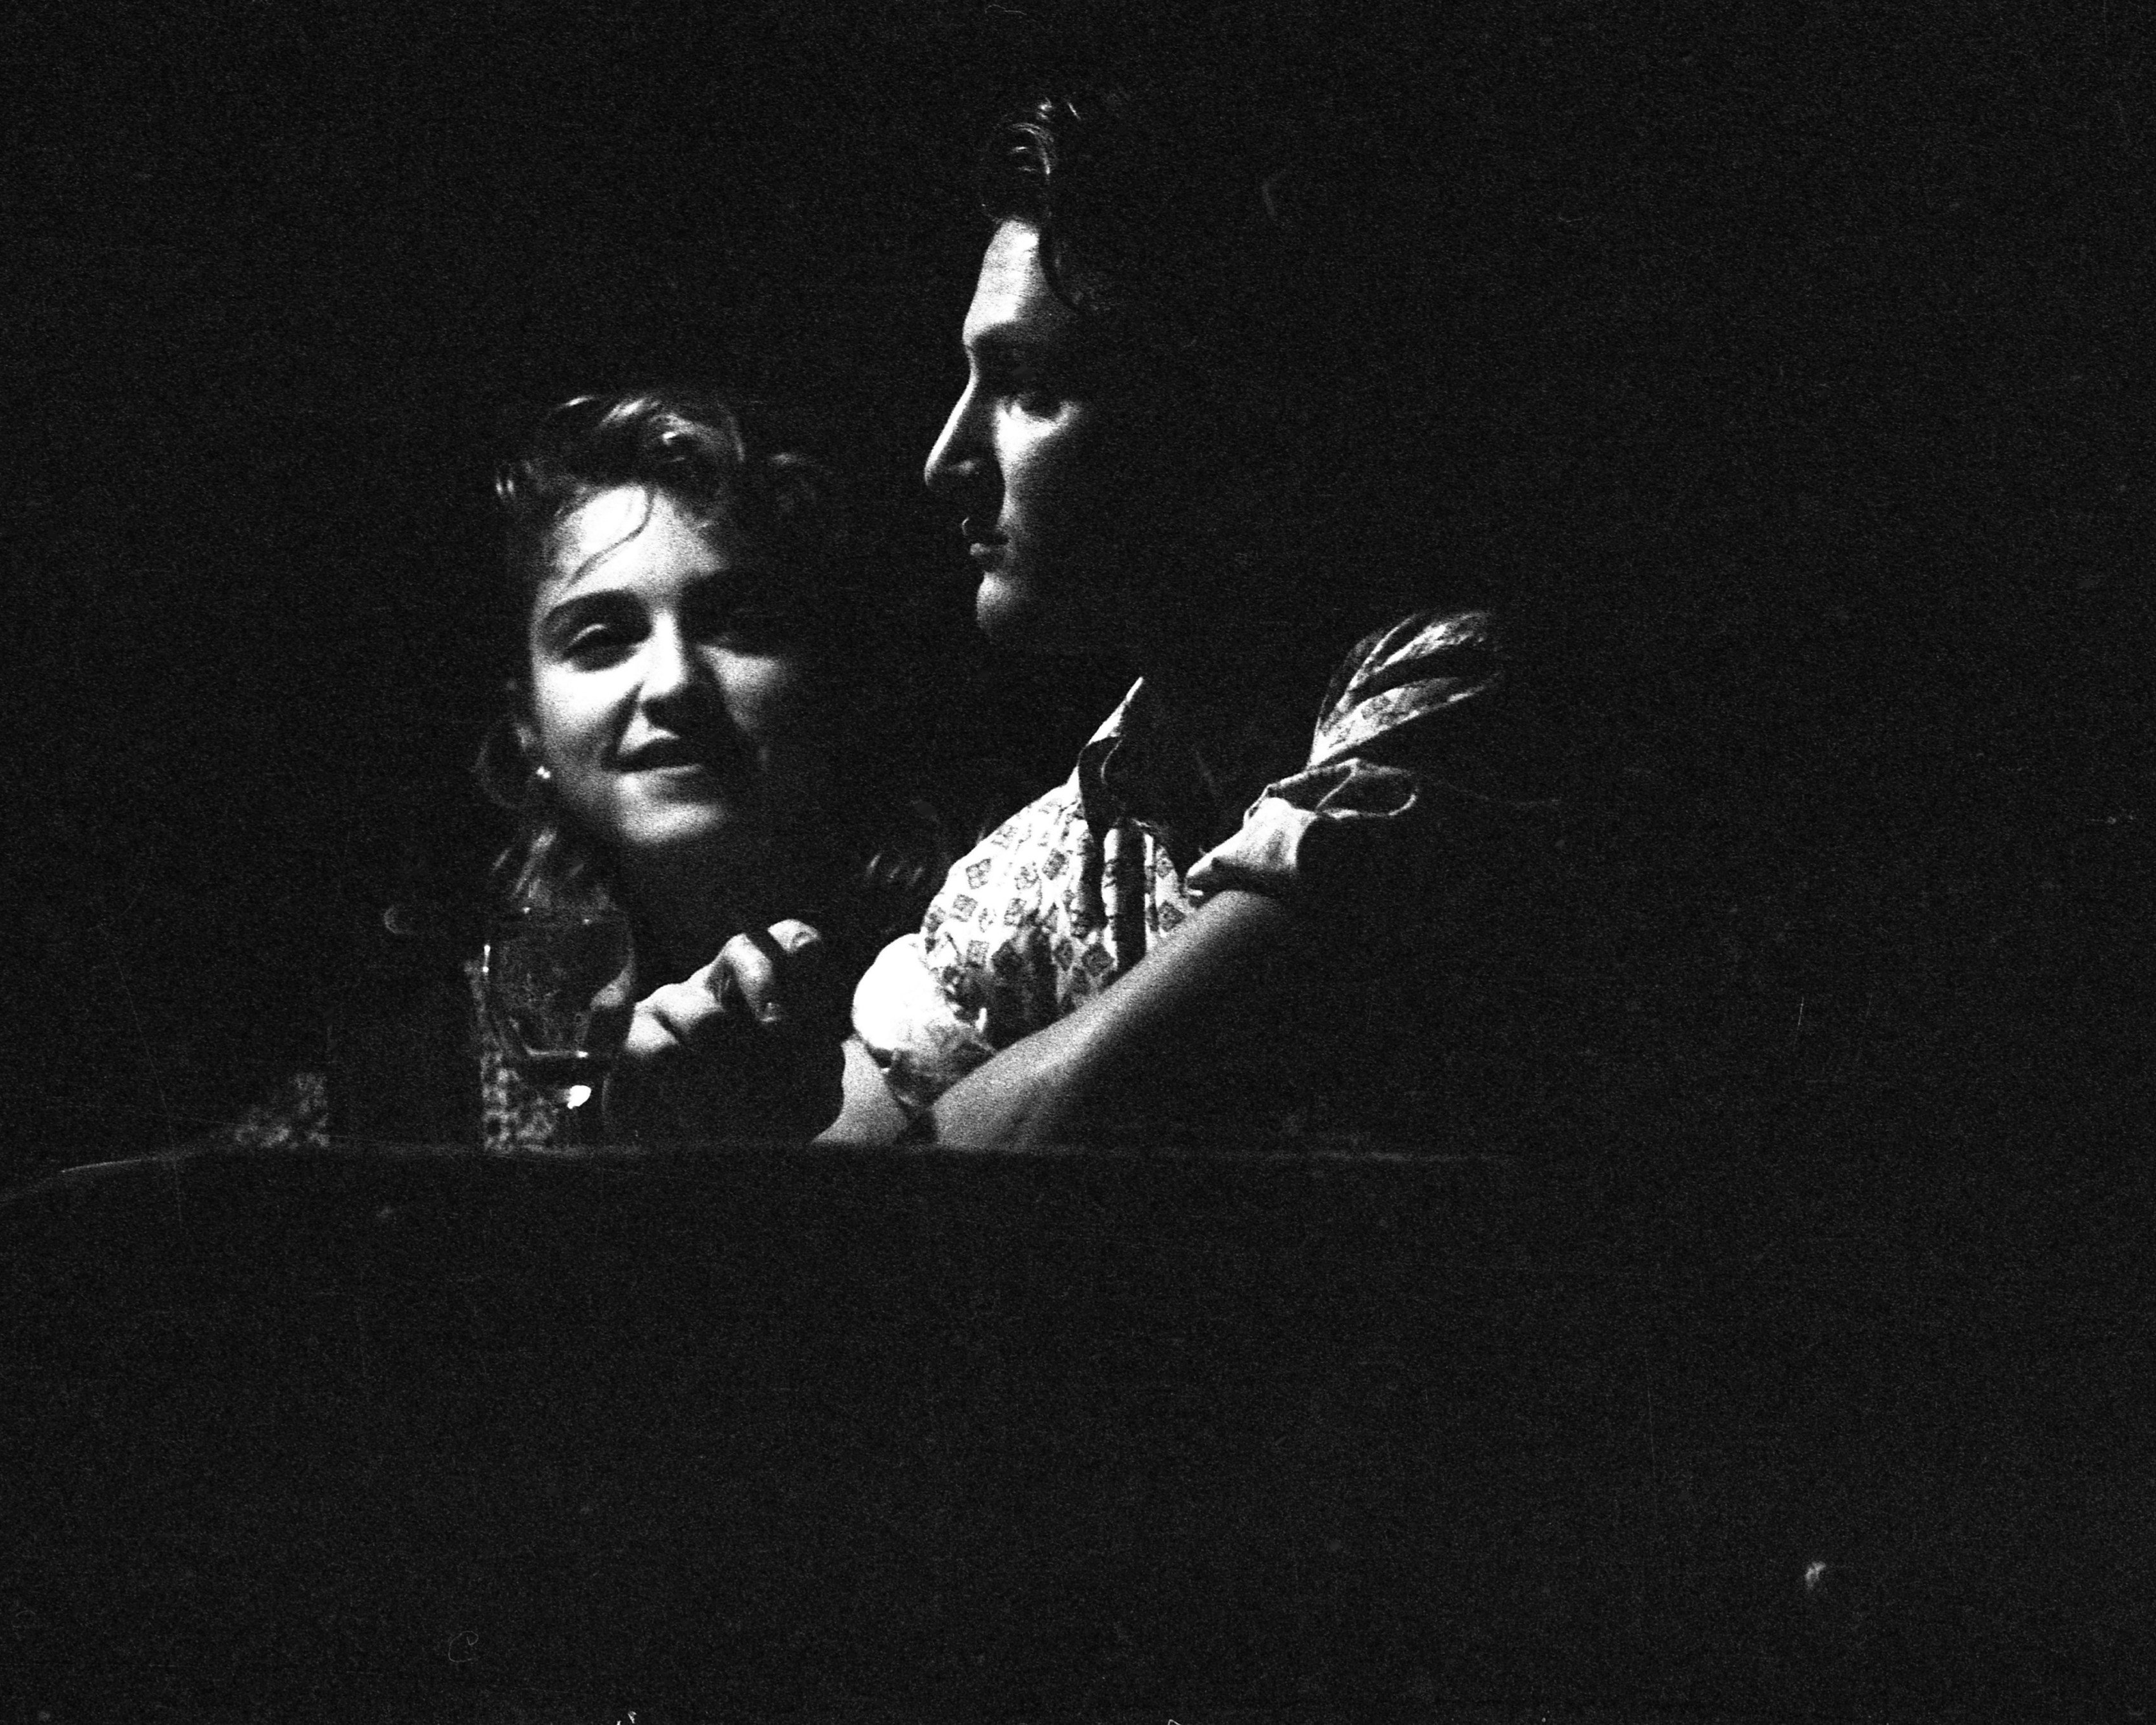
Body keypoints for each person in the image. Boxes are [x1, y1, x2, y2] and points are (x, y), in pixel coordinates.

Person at [665, 72, 1775, 1151]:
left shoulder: (1474, 703)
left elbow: (1070, 1113)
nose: (945, 461)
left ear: (1224, 417)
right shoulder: (1053, 852)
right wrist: (688, 1123)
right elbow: (840, 1176)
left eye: (1028, 389)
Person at [214, 390, 941, 1154]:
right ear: (527, 725)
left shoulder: (995, 975)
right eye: (602, 639)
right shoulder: (410, 1076)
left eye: (737, 624)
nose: (674, 684)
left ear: (832, 674)